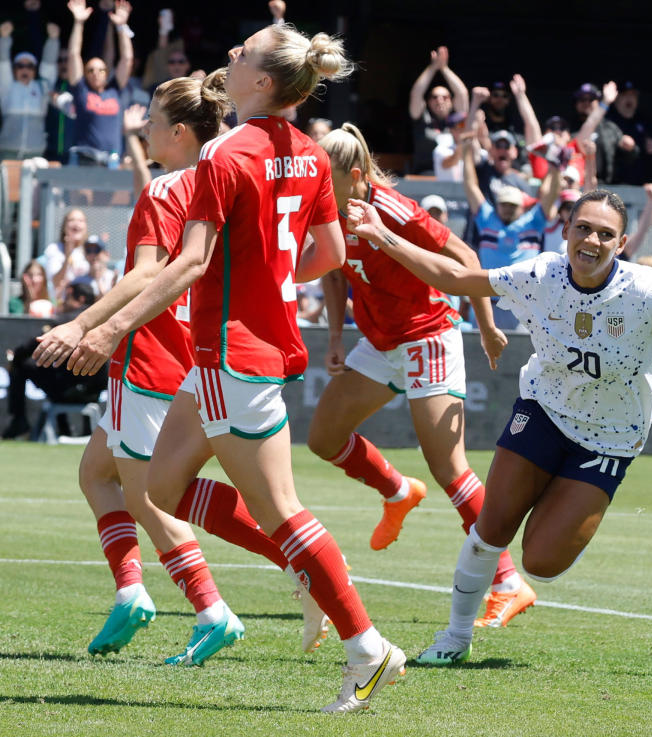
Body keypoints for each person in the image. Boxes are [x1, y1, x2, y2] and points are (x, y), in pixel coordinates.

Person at [341, 188, 652, 665]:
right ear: (567, 230)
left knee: (540, 560)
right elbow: (454, 279)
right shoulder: (540, 274)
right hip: (543, 411)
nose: (593, 241)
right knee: (490, 528)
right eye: (584, 228)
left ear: (622, 243)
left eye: (606, 234)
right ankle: (454, 638)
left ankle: (559, 504)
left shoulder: (649, 292)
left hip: (610, 437)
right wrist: (382, 236)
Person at [59, 22, 403, 713]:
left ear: (263, 82)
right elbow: (330, 250)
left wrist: (109, 328)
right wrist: (268, 278)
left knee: (281, 511)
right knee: (161, 482)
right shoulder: (308, 153)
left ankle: (366, 646)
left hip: (230, 355)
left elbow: (188, 263)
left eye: (244, 52)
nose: (232, 55)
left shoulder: (224, 153)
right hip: (249, 351)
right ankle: (318, 589)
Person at [32, 73, 249, 665]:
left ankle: (212, 610)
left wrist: (83, 326)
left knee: (151, 495)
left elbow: (144, 275)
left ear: (179, 132)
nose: (144, 130)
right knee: (95, 472)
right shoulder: (229, 179)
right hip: (202, 353)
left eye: (151, 122)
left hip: (149, 350)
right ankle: (131, 592)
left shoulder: (166, 191)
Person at [309, 122, 537, 627]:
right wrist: (333, 339)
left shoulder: (393, 209)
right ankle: (396, 491)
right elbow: (331, 270)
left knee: (450, 469)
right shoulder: (328, 209)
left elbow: (466, 258)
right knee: (323, 437)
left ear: (356, 174)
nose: (316, 187)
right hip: (382, 340)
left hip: (428, 334)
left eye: (327, 177)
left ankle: (508, 582)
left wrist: (487, 327)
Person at [462, 116, 561, 330]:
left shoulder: (533, 221)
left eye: (512, 205)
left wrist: (554, 168)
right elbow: (470, 185)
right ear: (497, 204)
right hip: (489, 304)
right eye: (504, 204)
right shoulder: (486, 217)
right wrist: (466, 152)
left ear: (521, 206)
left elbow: (551, 195)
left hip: (525, 307)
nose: (507, 208)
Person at [3, 280, 104, 440]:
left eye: (67, 297)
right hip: (95, 392)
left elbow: (34, 344)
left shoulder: (69, 321)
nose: (62, 301)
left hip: (67, 390)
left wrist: (15, 357)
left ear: (80, 299)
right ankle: (71, 428)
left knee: (21, 365)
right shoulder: (105, 321)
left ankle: (19, 421)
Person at [65, 0, 133, 166]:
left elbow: (127, 59)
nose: (96, 73)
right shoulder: (81, 90)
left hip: (112, 159)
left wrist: (122, 27)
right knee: (77, 192)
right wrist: (79, 22)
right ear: (85, 74)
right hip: (83, 158)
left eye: (101, 70)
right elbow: (74, 54)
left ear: (107, 73)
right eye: (90, 70)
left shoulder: (115, 89)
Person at [0, 18, 59, 159]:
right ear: (14, 70)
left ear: (34, 70)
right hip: (7, 151)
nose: (24, 69)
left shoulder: (41, 87)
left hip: (35, 153)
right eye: (20, 66)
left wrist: (53, 39)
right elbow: (2, 63)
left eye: (30, 66)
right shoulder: (7, 87)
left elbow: (49, 66)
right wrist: (4, 38)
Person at [407, 45, 468, 174]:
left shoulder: (456, 119)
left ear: (451, 101)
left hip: (453, 173)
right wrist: (432, 68)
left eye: (445, 97)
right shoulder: (421, 117)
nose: (440, 100)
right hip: (425, 174)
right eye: (434, 97)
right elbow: (416, 94)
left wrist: (444, 68)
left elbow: (462, 94)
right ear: (428, 102)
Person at [45, 208, 91, 299]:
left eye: (80, 220)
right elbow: (56, 282)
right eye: (71, 220)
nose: (76, 223)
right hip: (63, 306)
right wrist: (67, 256)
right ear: (64, 226)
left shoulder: (92, 248)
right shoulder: (54, 249)